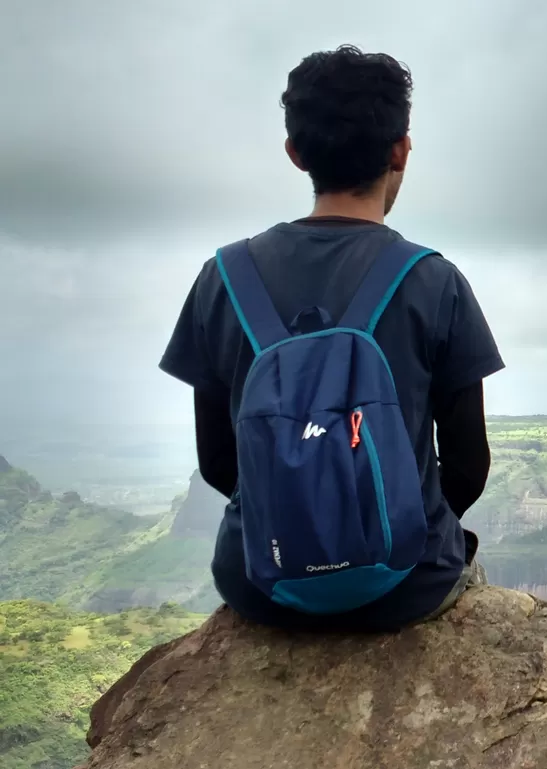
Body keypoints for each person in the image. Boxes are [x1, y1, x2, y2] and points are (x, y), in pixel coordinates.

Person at [158, 45, 504, 632]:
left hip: (261, 584)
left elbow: (219, 462)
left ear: (295, 153)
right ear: (401, 149)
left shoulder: (222, 277)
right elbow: (468, 467)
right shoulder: (433, 280)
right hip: (407, 584)